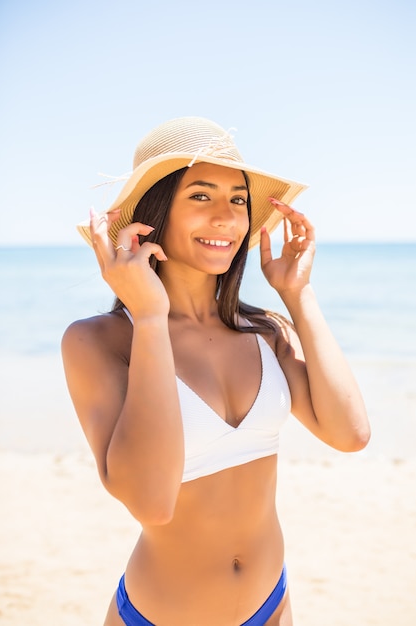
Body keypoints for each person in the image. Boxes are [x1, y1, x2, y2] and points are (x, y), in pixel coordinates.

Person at [62, 117, 370, 626]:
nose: (227, 217)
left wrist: (298, 295)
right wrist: (150, 317)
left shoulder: (266, 330)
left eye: (239, 199)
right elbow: (153, 502)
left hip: (271, 604)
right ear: (152, 215)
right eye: (201, 197)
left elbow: (351, 434)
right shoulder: (98, 341)